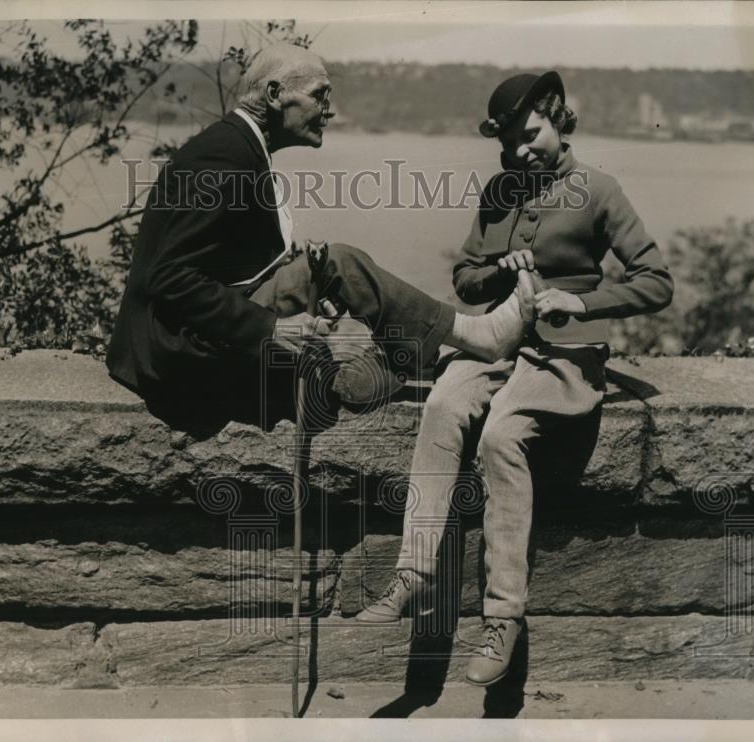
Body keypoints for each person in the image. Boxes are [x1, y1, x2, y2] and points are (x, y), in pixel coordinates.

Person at [354, 71, 675, 688]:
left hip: (565, 353)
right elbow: (466, 280)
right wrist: (501, 270)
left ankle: (503, 618)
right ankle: (412, 577)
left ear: (558, 119)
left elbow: (656, 282)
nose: (522, 152)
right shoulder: (499, 191)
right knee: (443, 405)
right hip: (495, 337)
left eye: (532, 136)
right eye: (510, 144)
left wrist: (583, 304)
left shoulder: (599, 191)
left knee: (502, 437)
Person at [107, 44, 535, 433]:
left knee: (323, 273)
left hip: (178, 348)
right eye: (319, 94)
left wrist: (286, 273)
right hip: (177, 362)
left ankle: (385, 367)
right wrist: (270, 325)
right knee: (339, 263)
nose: (328, 110)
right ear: (275, 95)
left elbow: (208, 264)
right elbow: (168, 277)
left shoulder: (237, 146)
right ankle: (471, 336)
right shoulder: (226, 155)